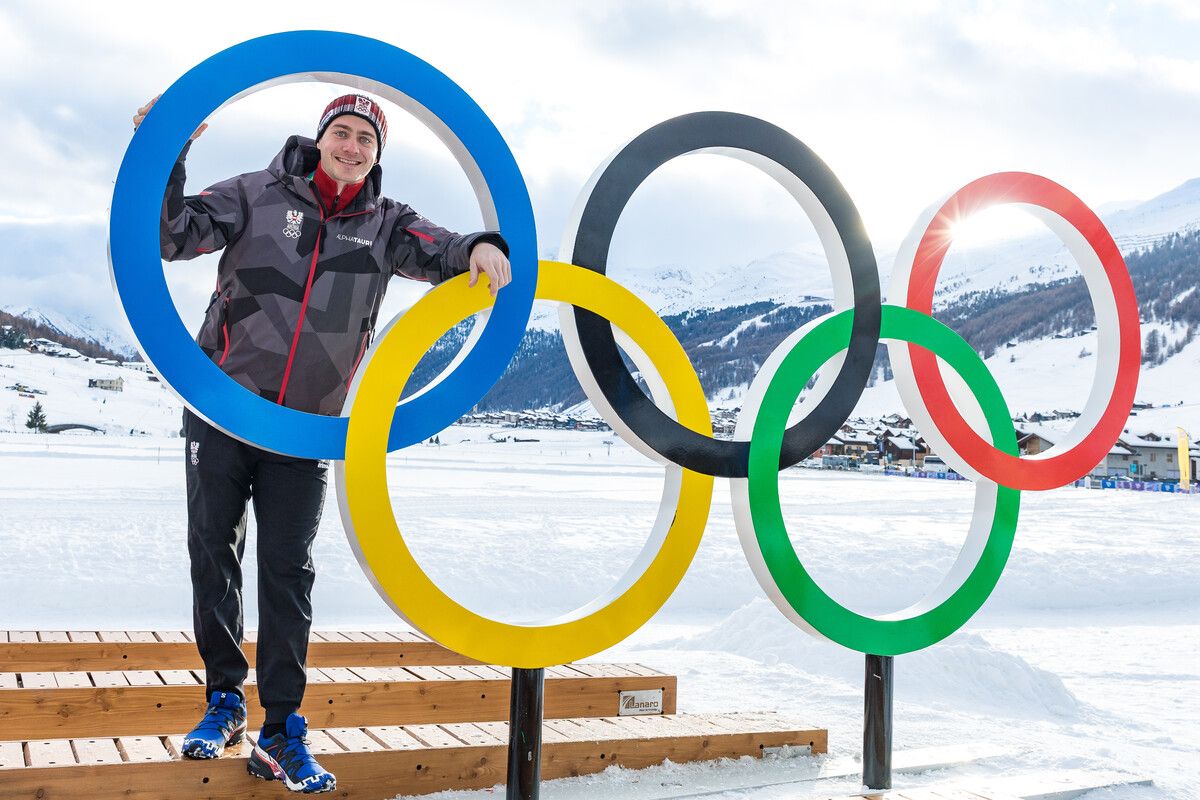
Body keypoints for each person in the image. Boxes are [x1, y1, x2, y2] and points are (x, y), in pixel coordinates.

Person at [134, 92, 511, 794]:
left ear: (377, 153)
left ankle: (281, 729)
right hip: (221, 407)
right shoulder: (254, 193)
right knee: (213, 550)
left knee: (287, 571)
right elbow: (169, 235)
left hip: (305, 428)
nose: (352, 147)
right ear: (320, 138)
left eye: (366, 139)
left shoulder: (385, 223)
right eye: (342, 132)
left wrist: (484, 246)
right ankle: (223, 702)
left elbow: (444, 252)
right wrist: (168, 154)